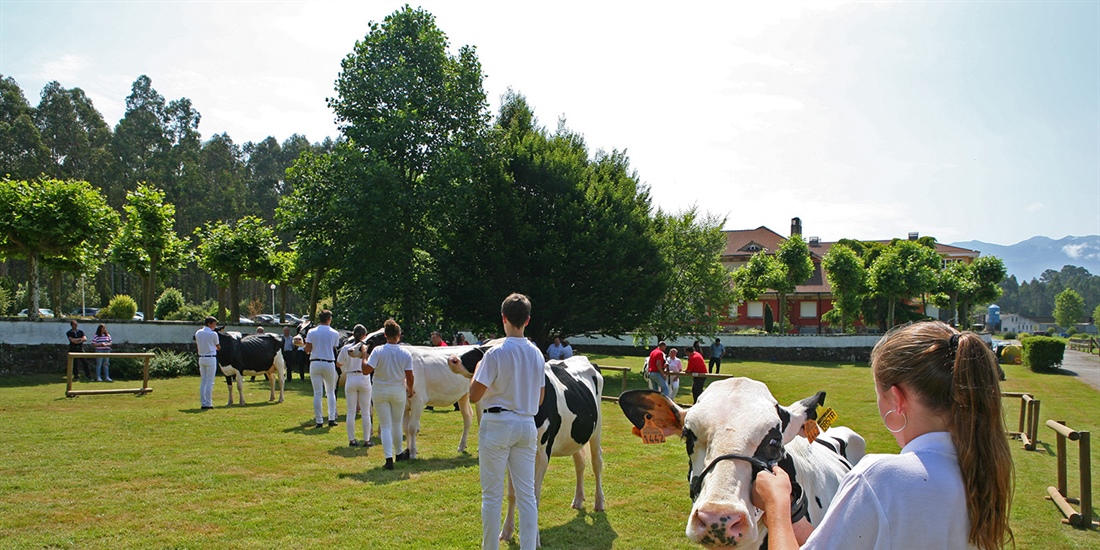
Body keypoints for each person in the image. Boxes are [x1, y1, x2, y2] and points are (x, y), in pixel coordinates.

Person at [752, 321, 1014, 550]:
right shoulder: (981, 471)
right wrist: (796, 514)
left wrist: (777, 508)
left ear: (896, 400)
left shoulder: (881, 478)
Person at [469, 293, 545, 550]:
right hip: (526, 423)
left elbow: (473, 395)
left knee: (492, 495)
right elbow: (541, 396)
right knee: (527, 496)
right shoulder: (536, 354)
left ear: (503, 318)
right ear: (527, 320)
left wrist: (478, 370)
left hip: (498, 424)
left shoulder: (494, 354)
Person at [364, 318, 414, 470]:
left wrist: (364, 357)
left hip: (380, 389)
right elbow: (410, 376)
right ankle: (398, 453)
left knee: (385, 425)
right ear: (399, 335)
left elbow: (366, 370)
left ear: (385, 335)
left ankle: (388, 458)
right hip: (398, 389)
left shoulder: (378, 351)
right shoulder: (405, 353)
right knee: (396, 424)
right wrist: (410, 389)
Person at [304, 310, 341, 428]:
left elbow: (307, 349)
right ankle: (331, 418)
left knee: (317, 393)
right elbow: (334, 348)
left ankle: (319, 421)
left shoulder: (311, 332)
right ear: (329, 319)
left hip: (315, 362)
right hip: (329, 362)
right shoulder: (335, 333)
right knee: (330, 392)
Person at [338, 324, 372, 448]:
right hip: (364, 377)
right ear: (364, 335)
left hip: (351, 377)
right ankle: (367, 440)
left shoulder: (346, 347)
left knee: (351, 411)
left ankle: (352, 439)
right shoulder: (367, 348)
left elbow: (338, 363)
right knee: (365, 412)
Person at [195, 316, 220, 410]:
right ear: (209, 324)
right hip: (210, 358)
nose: (215, 326)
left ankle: (203, 402)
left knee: (204, 381)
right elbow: (217, 346)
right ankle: (208, 403)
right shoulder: (213, 334)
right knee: (210, 381)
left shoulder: (198, 333)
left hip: (201, 357)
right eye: (214, 324)